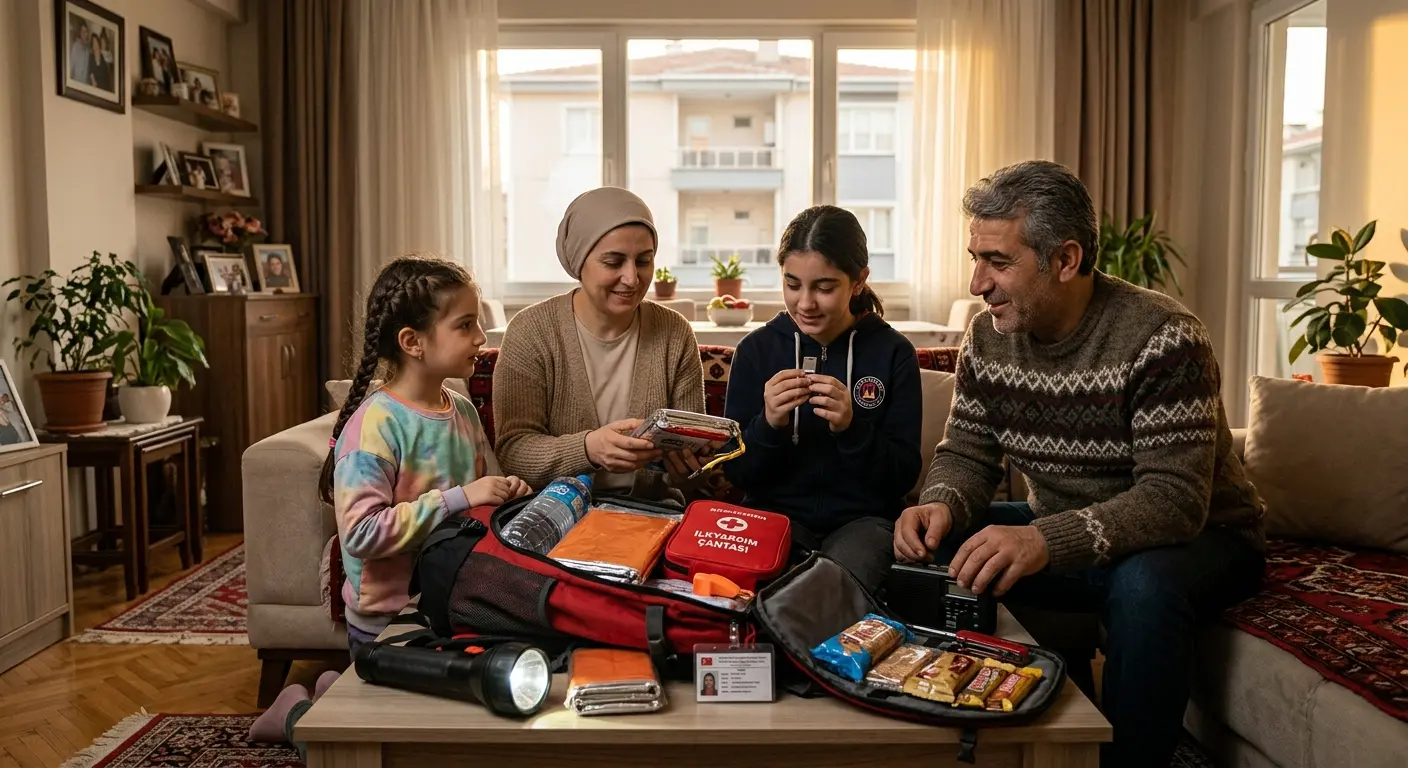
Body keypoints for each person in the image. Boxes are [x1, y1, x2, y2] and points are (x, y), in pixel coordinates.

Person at [892, 160, 1264, 768]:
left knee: (1141, 587)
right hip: (1065, 528)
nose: (978, 282)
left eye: (999, 262)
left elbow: (1174, 501)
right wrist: (939, 503)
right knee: (917, 542)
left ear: (1065, 260)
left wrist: (1042, 538)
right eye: (975, 258)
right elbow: (966, 452)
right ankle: (953, 729)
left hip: (1204, 540)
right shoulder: (989, 337)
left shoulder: (1164, 338)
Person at [249, 254, 532, 754]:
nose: (481, 339)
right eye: (465, 325)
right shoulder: (375, 425)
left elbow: (477, 493)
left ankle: (336, 694)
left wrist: (504, 491)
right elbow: (360, 534)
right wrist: (460, 497)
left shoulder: (461, 409)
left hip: (447, 606)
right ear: (412, 341)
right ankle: (294, 712)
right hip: (387, 622)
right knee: (395, 754)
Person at [723, 205, 921, 594]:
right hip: (772, 518)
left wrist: (852, 429)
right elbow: (736, 473)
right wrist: (770, 424)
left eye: (824, 287)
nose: (805, 303)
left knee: (831, 590)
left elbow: (902, 477)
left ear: (859, 281)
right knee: (770, 589)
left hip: (864, 523)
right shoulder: (755, 351)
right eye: (792, 284)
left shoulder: (894, 353)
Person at [493, 187, 711, 500]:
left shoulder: (674, 332)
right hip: (555, 515)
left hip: (652, 516)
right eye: (613, 262)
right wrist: (589, 449)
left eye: (644, 261)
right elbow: (513, 453)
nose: (632, 279)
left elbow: (690, 475)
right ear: (579, 262)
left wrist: (688, 470)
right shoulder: (531, 331)